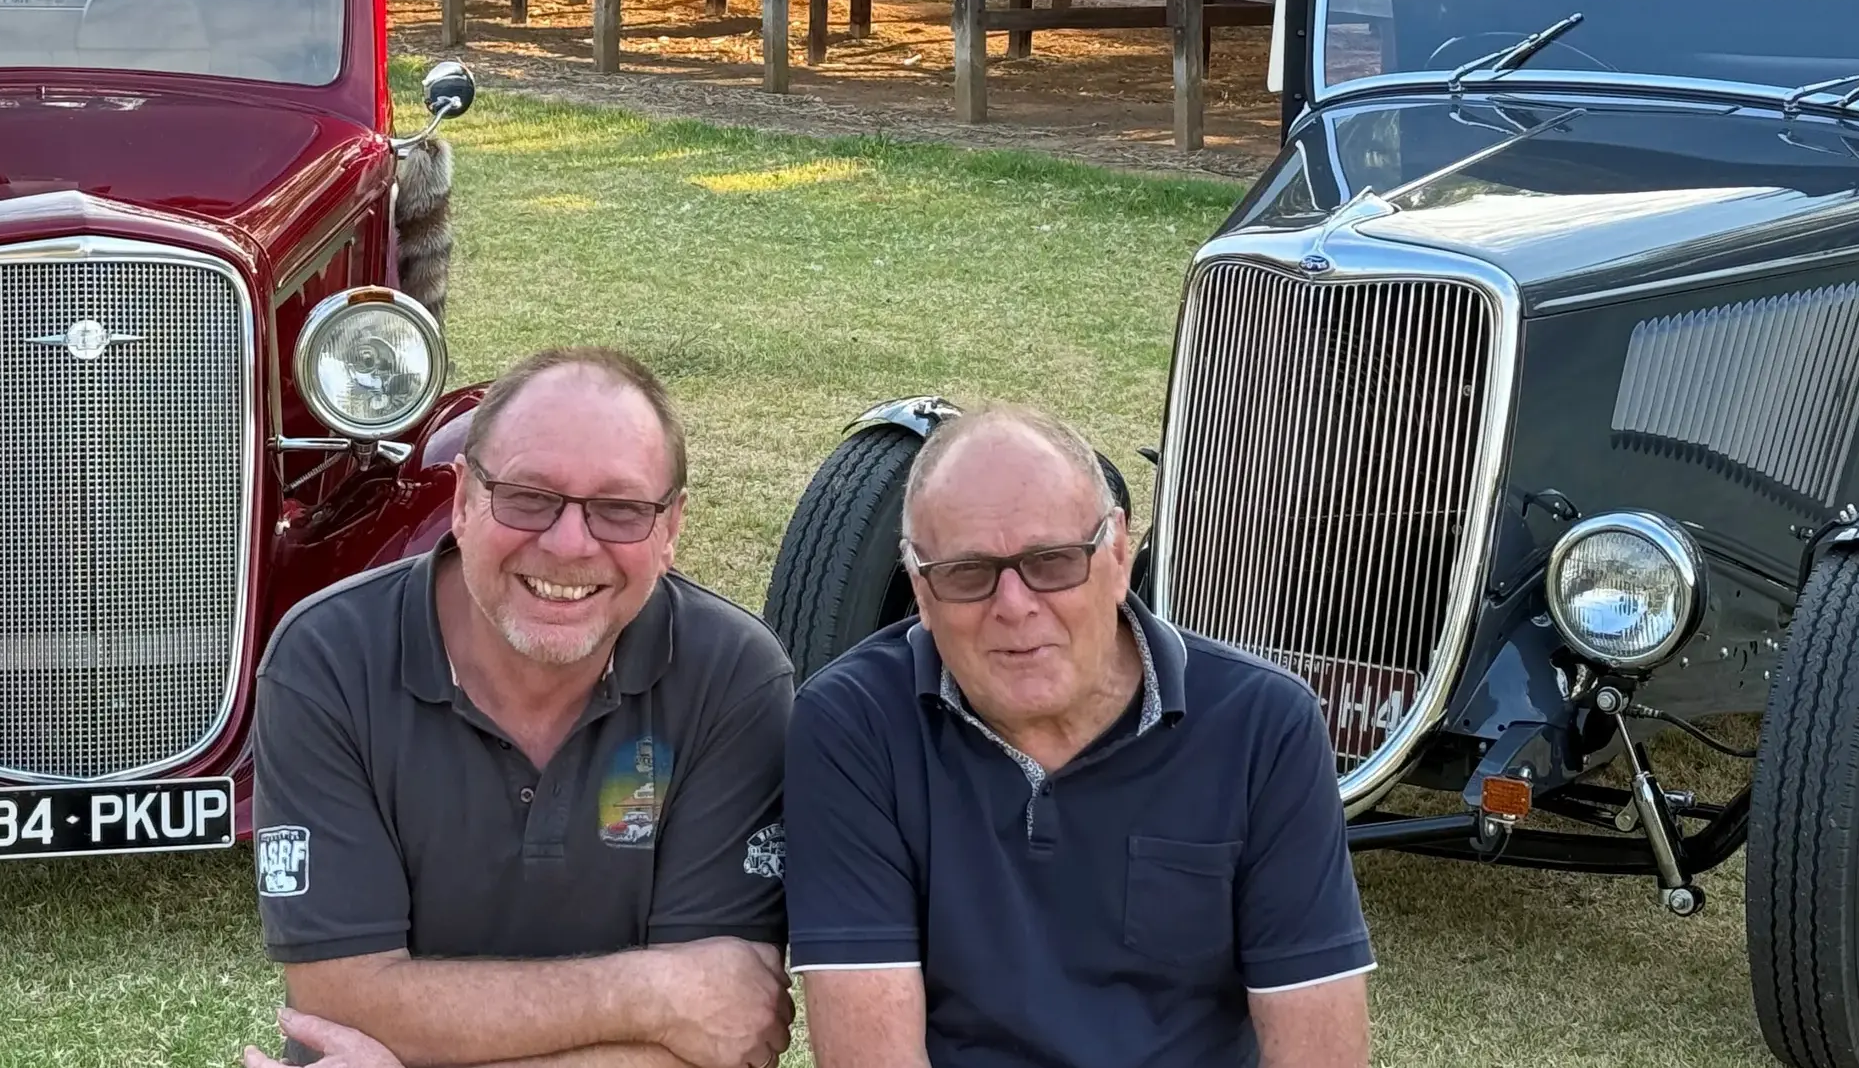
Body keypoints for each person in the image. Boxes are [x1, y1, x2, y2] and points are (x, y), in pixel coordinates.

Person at [244, 346, 797, 1068]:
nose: (569, 544)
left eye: (620, 510)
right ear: (464, 501)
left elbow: (729, 1030)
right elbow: (342, 1000)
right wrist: (653, 995)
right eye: (529, 498)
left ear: (671, 530)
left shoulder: (734, 678)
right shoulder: (328, 660)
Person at [784, 404, 1374, 1068]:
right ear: (921, 588)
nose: (1013, 605)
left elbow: (1318, 1053)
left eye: (1053, 561)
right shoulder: (853, 726)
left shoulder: (1265, 726)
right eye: (967, 574)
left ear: (1118, 554)